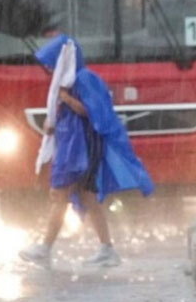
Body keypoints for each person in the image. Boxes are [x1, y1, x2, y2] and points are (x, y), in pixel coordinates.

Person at [19, 35, 154, 268]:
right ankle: (105, 249)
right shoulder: (68, 83)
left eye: (53, 63)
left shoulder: (83, 79)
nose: (50, 69)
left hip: (81, 149)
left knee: (59, 194)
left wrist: (65, 99)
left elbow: (92, 112)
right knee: (87, 197)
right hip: (72, 147)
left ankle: (45, 247)